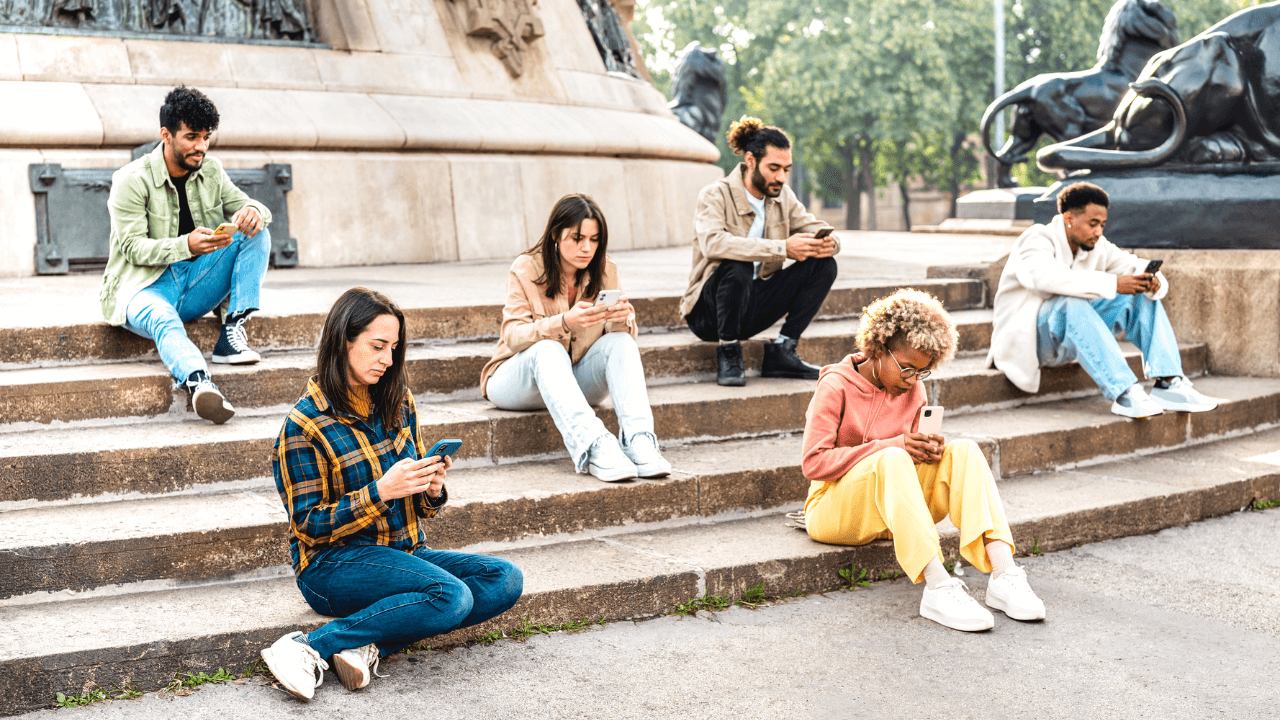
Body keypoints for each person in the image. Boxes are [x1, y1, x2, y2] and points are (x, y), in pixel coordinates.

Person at [261, 287, 523, 702]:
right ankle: (308, 646)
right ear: (343, 341)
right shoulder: (305, 425)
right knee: (451, 596)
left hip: (404, 553)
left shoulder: (398, 401)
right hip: (332, 566)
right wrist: (380, 492)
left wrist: (431, 489)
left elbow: (418, 505)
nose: (387, 359)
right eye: (377, 346)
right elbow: (308, 526)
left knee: (504, 578)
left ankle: (368, 645)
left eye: (394, 348)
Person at [801, 289, 1045, 632]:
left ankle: (1004, 574)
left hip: (893, 510)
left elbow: (908, 463)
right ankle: (939, 587)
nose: (913, 379)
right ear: (878, 347)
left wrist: (927, 450)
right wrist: (895, 445)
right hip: (833, 510)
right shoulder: (836, 385)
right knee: (891, 457)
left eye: (923, 371)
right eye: (907, 368)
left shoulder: (913, 388)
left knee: (965, 452)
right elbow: (814, 463)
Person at [101, 85, 273, 425]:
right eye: (192, 137)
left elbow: (251, 207)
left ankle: (232, 331)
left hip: (195, 284)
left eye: (207, 137)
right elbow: (132, 247)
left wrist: (254, 211)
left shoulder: (211, 169)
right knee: (164, 319)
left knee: (257, 232)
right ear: (166, 135)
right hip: (143, 287)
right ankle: (199, 383)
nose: (201, 147)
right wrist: (185, 245)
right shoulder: (130, 180)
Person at [480, 194, 670, 483]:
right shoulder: (526, 268)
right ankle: (595, 446)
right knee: (547, 349)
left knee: (621, 343)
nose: (586, 248)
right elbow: (513, 336)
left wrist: (622, 320)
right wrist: (563, 322)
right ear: (556, 234)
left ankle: (639, 440)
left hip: (572, 380)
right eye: (577, 238)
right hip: (515, 382)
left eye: (594, 240)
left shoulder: (606, 269)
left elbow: (618, 343)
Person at [988, 182, 1217, 418]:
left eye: (1102, 225)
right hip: (1031, 340)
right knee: (1070, 303)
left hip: (1072, 338)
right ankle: (1125, 392)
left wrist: (1153, 280)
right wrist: (1114, 284)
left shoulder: (1097, 245)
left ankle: (1169, 382)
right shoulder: (1036, 239)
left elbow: (1132, 264)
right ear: (1069, 218)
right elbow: (1044, 279)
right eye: (1093, 224)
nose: (1099, 232)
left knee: (1139, 296)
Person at [681, 116, 838, 387]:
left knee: (824, 265)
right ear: (751, 160)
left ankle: (783, 350)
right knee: (738, 264)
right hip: (708, 314)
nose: (781, 177)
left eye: (786, 169)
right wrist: (782, 248)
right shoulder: (715, 195)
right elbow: (714, 244)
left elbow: (820, 228)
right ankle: (729, 352)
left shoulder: (782, 196)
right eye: (774, 168)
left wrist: (827, 243)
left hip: (751, 305)